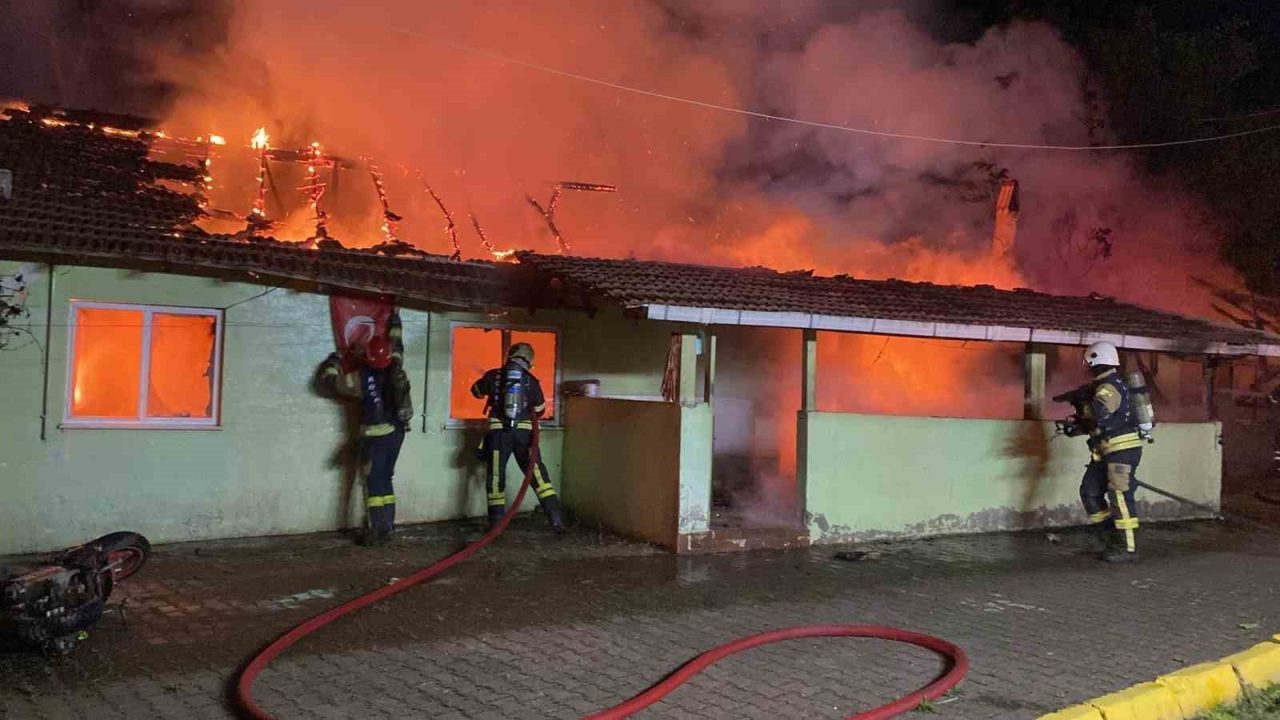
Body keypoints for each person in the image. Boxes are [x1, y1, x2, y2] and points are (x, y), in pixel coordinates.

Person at [320, 310, 413, 546]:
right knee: (386, 479)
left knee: (373, 483)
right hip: (397, 434)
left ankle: (375, 531)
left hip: (374, 436)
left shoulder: (359, 378)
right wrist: (395, 318)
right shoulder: (397, 367)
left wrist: (333, 361)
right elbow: (397, 342)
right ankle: (387, 527)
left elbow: (330, 384)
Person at [1054, 341, 1144, 563]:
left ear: (1095, 360)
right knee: (1090, 492)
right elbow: (1098, 422)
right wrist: (1078, 425)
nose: (1087, 367)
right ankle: (1108, 540)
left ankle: (1127, 548)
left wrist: (1082, 402)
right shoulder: (1101, 387)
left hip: (1121, 450)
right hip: (1105, 451)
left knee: (1120, 495)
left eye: (1088, 362)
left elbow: (1100, 411)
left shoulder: (1109, 386)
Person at [470, 342, 565, 531]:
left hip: (498, 434)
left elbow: (476, 392)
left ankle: (496, 523)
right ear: (529, 360)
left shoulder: (493, 375)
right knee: (537, 474)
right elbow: (539, 410)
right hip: (525, 436)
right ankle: (555, 518)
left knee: (496, 476)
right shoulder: (531, 380)